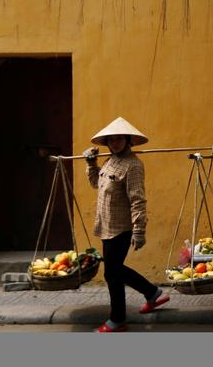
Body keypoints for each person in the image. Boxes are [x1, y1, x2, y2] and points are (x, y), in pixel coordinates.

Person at [83, 116, 169, 333]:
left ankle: (118, 319)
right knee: (114, 271)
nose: (115, 143)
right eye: (111, 140)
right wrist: (91, 164)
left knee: (112, 273)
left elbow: (137, 199)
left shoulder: (133, 165)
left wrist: (139, 230)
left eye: (119, 139)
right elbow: (96, 183)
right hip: (106, 226)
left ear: (128, 140)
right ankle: (152, 293)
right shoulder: (109, 162)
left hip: (122, 228)